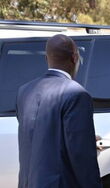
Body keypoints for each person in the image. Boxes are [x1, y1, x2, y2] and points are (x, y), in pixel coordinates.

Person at [16, 34, 101, 188]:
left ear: (46, 59)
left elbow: (40, 136)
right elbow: (81, 157)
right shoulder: (76, 94)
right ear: (75, 58)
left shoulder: (24, 91)